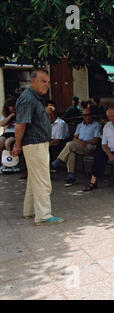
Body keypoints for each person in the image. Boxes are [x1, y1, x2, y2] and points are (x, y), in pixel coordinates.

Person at [11, 69, 64, 226]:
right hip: (35, 144)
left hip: (37, 144)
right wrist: (17, 145)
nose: (47, 84)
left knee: (34, 179)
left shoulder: (34, 98)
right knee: (42, 180)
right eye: (43, 81)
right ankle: (43, 215)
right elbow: (20, 125)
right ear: (32, 81)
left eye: (48, 81)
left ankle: (30, 211)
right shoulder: (28, 99)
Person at [51, 108, 102, 186]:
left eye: (89, 115)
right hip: (79, 145)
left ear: (92, 115)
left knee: (70, 144)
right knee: (71, 152)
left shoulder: (96, 125)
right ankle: (71, 176)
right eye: (85, 115)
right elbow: (75, 137)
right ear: (83, 116)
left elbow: (96, 139)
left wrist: (85, 142)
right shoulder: (80, 125)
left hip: (90, 146)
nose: (87, 117)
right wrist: (81, 142)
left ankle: (57, 161)